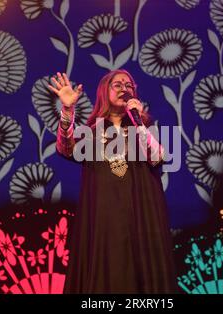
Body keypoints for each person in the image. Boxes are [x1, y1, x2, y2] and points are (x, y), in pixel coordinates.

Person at [49, 69, 177, 294]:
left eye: (128, 86)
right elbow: (65, 148)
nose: (124, 89)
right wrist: (68, 109)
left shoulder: (144, 128)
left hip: (140, 215)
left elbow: (157, 157)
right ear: (104, 92)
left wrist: (139, 123)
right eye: (117, 85)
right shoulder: (92, 131)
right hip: (104, 217)